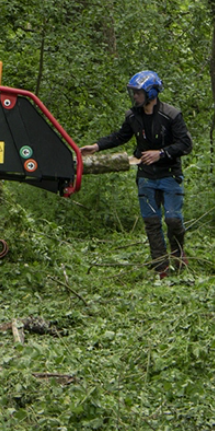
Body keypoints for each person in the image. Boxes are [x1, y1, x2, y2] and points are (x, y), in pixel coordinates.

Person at [80, 71, 193, 277]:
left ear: (151, 93)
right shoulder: (132, 116)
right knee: (151, 222)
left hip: (170, 175)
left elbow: (186, 144)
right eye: (133, 93)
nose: (135, 96)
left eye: (138, 93)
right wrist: (96, 146)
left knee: (173, 219)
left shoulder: (171, 115)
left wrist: (161, 153)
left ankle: (178, 254)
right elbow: (120, 136)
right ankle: (160, 266)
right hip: (146, 177)